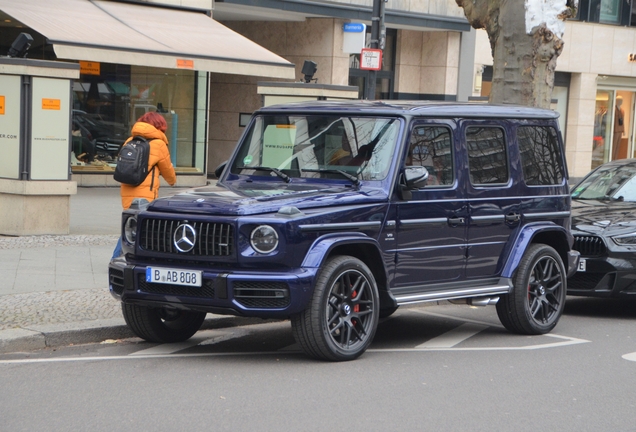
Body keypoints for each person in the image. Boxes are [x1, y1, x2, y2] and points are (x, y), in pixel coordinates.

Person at [112, 112, 177, 258]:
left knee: (133, 225)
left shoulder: (130, 140)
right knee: (139, 227)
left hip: (127, 189)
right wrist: (172, 180)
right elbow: (169, 174)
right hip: (145, 194)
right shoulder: (159, 144)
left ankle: (141, 257)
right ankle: (117, 258)